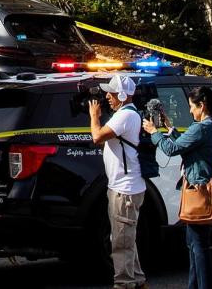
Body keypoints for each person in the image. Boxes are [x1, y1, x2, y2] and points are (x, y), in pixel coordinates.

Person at [143, 85, 212, 289]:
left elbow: (171, 149)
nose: (190, 111)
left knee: (198, 246)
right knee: (194, 244)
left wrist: (154, 132)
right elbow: (187, 145)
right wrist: (170, 128)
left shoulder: (202, 127)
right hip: (208, 188)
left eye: (192, 106)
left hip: (200, 190)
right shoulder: (211, 125)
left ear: (202, 105)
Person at [89, 73, 148, 289]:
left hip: (125, 190)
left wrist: (94, 116)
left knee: (121, 243)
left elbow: (97, 137)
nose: (107, 98)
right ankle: (139, 281)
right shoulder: (126, 114)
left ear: (122, 95)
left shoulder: (125, 116)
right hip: (124, 188)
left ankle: (124, 283)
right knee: (126, 239)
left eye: (111, 94)